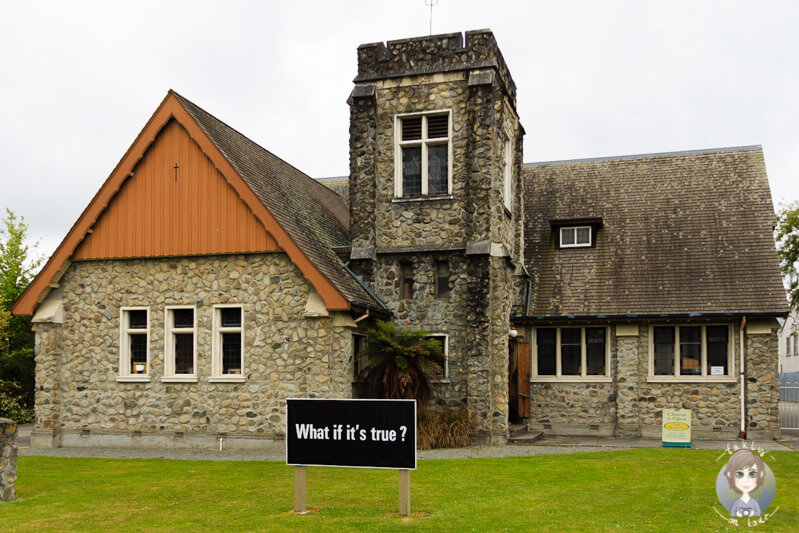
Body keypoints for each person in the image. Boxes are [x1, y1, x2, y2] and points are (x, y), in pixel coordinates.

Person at [723, 449, 765, 517]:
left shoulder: (754, 502)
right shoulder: (737, 502)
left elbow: (758, 513)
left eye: (752, 474)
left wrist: (752, 513)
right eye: (739, 474)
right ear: (730, 475)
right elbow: (733, 513)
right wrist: (738, 514)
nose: (746, 480)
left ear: (760, 475)